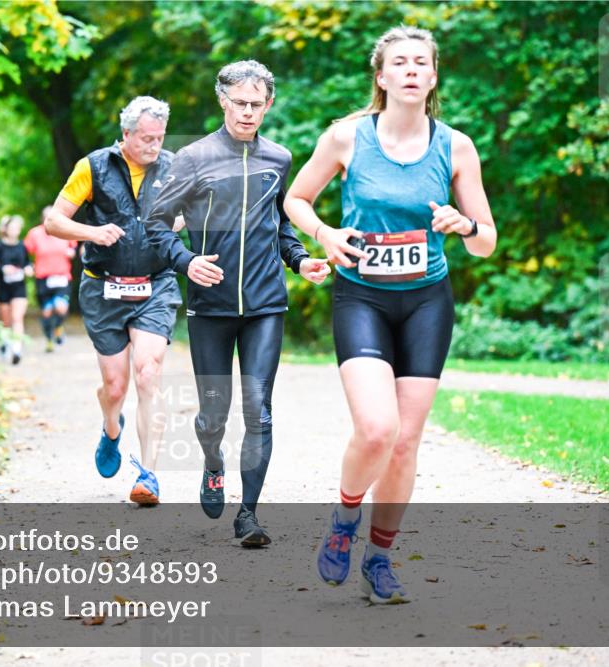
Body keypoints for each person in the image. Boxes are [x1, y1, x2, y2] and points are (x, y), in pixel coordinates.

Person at [284, 26, 497, 603]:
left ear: (432, 77)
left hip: (427, 300)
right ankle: (344, 520)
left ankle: (379, 558)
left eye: (420, 62)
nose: (409, 70)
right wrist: (325, 233)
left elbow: (487, 242)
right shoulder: (346, 138)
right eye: (398, 62)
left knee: (405, 442)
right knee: (377, 430)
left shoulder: (456, 146)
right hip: (363, 297)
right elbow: (295, 199)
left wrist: (465, 225)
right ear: (381, 77)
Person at [143, 61, 330, 546]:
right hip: (211, 305)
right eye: (240, 103)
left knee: (259, 410)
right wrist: (186, 262)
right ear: (222, 101)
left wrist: (300, 260)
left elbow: (282, 225)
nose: (249, 112)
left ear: (269, 105)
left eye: (257, 104)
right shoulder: (193, 157)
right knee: (213, 414)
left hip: (266, 303)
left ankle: (248, 515)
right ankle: (212, 462)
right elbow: (156, 222)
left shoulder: (279, 158)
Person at [44, 96, 183, 506]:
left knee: (148, 372)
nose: (153, 147)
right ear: (125, 135)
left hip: (155, 284)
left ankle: (149, 475)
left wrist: (178, 221)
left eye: (159, 138)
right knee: (115, 385)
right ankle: (111, 428)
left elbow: (191, 213)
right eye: (145, 139)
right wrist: (92, 233)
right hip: (104, 286)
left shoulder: (173, 166)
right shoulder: (93, 166)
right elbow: (54, 221)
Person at [24, 207, 77, 353]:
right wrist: (28, 265)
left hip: (62, 277)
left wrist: (71, 252)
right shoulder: (35, 234)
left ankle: (59, 327)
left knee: (60, 307)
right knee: (46, 312)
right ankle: (49, 340)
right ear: (43, 219)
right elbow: (24, 252)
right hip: (43, 278)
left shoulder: (65, 231)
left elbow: (73, 248)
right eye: (47, 217)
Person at [0, 215, 32, 365]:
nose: (14, 230)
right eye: (12, 227)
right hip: (3, 287)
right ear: (6, 229)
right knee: (5, 321)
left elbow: (27, 263)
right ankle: (5, 344)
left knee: (17, 317)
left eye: (17, 228)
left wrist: (28, 269)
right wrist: (2, 268)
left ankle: (17, 349)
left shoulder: (22, 246)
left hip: (19, 286)